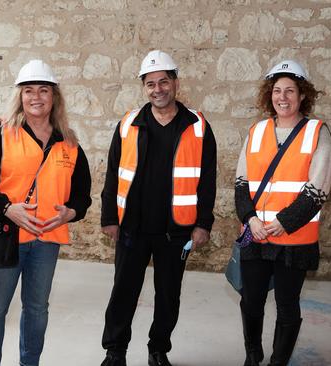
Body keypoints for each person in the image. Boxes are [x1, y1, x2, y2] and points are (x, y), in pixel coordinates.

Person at [0, 59, 92, 366]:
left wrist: (70, 213)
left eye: (44, 90)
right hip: (5, 237)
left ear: (55, 97)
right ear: (20, 96)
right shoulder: (1, 132)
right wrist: (8, 209)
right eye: (29, 90)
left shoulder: (70, 143)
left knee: (37, 308)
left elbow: (83, 194)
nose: (36, 97)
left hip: (46, 240)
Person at [99, 50, 217, 366]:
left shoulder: (197, 126)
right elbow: (112, 172)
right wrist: (109, 217)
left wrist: (203, 223)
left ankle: (158, 349)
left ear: (175, 83)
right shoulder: (128, 124)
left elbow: (207, 179)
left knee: (168, 295)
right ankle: (115, 350)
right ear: (144, 88)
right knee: (123, 291)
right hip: (132, 228)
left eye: (163, 81)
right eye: (150, 84)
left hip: (175, 230)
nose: (157, 89)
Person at [234, 60, 331, 366]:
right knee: (251, 301)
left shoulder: (317, 132)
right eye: (277, 90)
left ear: (302, 95)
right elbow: (241, 182)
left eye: (290, 90)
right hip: (256, 235)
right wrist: (251, 220)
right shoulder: (257, 130)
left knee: (287, 304)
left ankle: (279, 361)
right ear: (269, 94)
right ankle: (253, 354)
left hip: (293, 239)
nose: (283, 97)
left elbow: (318, 189)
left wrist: (281, 223)